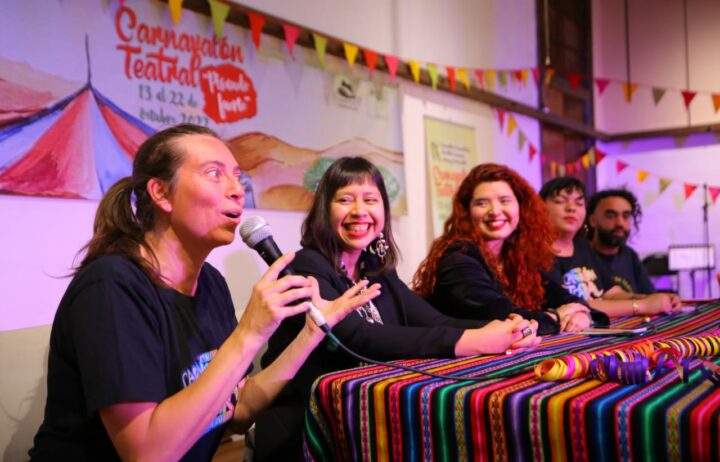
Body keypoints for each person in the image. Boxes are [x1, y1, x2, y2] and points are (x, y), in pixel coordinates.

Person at [29, 125, 380, 461]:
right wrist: (249, 332)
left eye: (238, 176)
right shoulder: (112, 285)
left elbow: (236, 411)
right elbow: (146, 453)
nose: (237, 189)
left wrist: (310, 334)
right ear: (161, 193)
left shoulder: (210, 283)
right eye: (215, 174)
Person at [254, 157, 540, 460]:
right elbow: (359, 338)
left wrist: (505, 329)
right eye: (345, 200)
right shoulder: (306, 266)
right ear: (324, 210)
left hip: (365, 420)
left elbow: (433, 320)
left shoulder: (376, 268)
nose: (359, 211)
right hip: (308, 430)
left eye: (370, 200)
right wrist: (473, 341)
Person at [414, 164, 608, 336]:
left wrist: (583, 314)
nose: (495, 211)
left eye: (505, 200)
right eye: (482, 203)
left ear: (521, 208)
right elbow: (501, 316)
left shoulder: (516, 256)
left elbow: (565, 298)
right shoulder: (458, 257)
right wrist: (557, 317)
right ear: (467, 212)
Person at [540, 177, 680, 317]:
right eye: (560, 201)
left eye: (579, 203)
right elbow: (573, 306)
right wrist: (642, 305)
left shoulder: (583, 247)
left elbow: (612, 293)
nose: (571, 208)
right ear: (541, 207)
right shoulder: (538, 253)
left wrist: (655, 299)